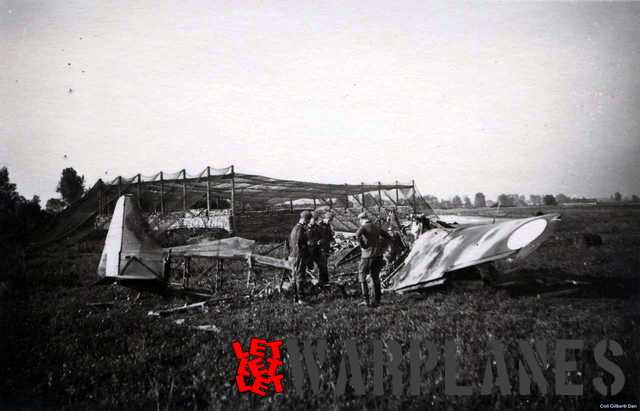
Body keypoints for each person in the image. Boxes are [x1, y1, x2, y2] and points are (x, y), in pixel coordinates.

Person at [354, 212, 390, 307]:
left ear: (362, 220)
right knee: (375, 277)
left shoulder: (364, 227)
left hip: (367, 256)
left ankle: (366, 300)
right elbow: (387, 236)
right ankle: (378, 300)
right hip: (378, 256)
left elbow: (357, 235)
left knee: (362, 276)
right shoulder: (376, 226)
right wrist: (382, 248)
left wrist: (363, 246)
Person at [289, 210, 312, 303]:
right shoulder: (300, 229)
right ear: (304, 219)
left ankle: (295, 298)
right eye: (308, 220)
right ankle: (301, 298)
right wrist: (304, 253)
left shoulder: (295, 228)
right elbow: (298, 244)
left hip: (294, 255)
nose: (308, 222)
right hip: (299, 256)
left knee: (295, 276)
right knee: (300, 276)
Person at [316, 211, 335, 285]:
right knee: (322, 264)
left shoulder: (328, 226)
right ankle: (322, 280)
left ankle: (325, 280)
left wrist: (332, 238)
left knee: (324, 264)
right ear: (326, 218)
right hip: (321, 248)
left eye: (331, 220)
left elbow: (329, 236)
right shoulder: (320, 225)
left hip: (326, 247)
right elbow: (318, 236)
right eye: (329, 219)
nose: (330, 221)